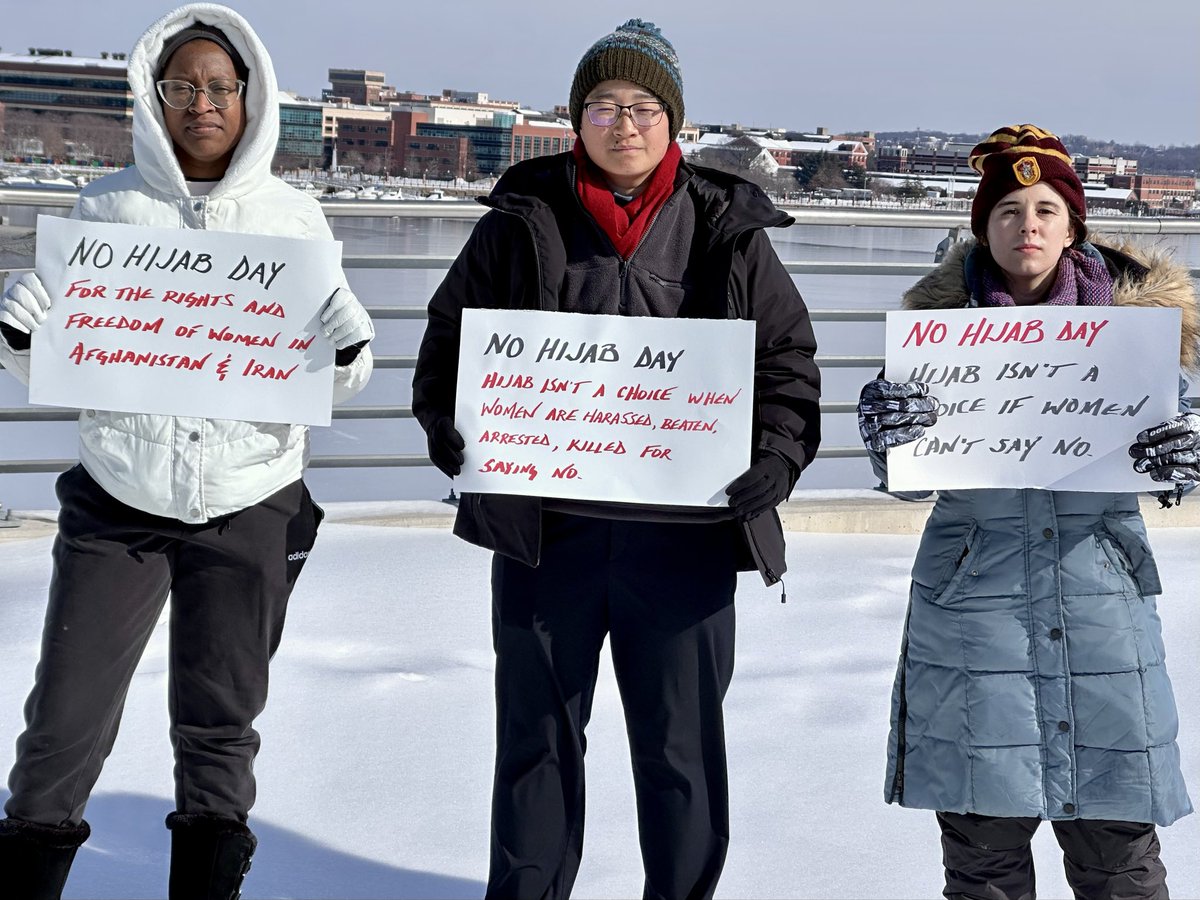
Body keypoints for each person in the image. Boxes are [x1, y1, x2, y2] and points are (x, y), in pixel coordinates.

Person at [412, 19, 820, 900]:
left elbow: (788, 367)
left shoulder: (729, 233)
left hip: (686, 545)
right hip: (544, 538)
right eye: (602, 105)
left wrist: (776, 462)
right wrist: (450, 425)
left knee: (680, 755)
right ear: (575, 119)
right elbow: (449, 346)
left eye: (642, 107)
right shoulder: (519, 223)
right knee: (536, 747)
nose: (623, 124)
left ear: (673, 122)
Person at [0, 4, 374, 897]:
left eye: (218, 86)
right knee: (64, 717)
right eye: (180, 87)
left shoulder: (296, 220)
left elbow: (333, 382)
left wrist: (350, 350)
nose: (200, 103)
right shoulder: (104, 209)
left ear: (250, 98)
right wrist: (19, 335)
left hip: (250, 498)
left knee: (220, 721)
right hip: (118, 497)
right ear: (153, 99)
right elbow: (62, 361)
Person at [857, 124, 1197, 899]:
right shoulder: (934, 340)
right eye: (1008, 211)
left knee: (1121, 861)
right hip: (976, 619)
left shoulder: (1138, 336)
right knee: (985, 868)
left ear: (1073, 225)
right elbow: (910, 481)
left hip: (1100, 612)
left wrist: (1191, 449)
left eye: (1046, 209)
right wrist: (886, 435)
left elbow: (1182, 455)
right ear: (984, 227)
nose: (1028, 226)